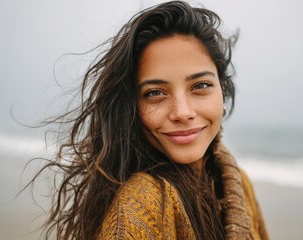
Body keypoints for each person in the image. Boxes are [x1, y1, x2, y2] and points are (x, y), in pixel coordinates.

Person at [32, 1, 268, 239]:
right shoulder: (140, 205)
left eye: (201, 86)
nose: (182, 112)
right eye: (155, 93)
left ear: (222, 89)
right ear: (132, 107)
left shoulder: (236, 183)